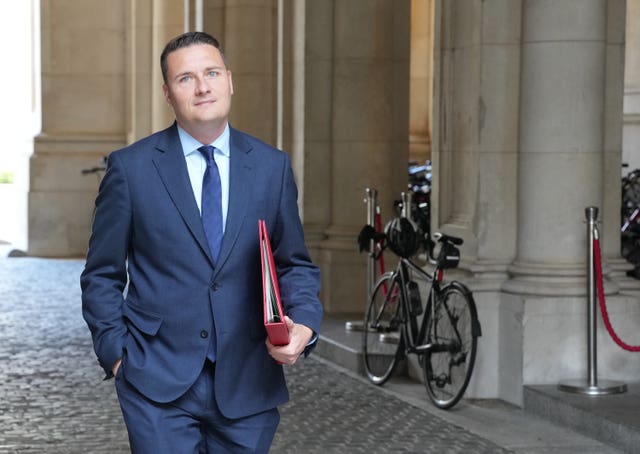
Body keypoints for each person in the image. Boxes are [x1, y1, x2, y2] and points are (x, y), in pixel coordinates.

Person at [81, 31, 322, 453]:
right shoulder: (131, 169)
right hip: (155, 381)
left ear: (229, 80)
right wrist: (116, 355)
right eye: (186, 78)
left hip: (248, 382)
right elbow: (102, 273)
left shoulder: (272, 167)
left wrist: (304, 324)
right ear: (168, 94)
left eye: (211, 73)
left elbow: (293, 264)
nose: (203, 86)